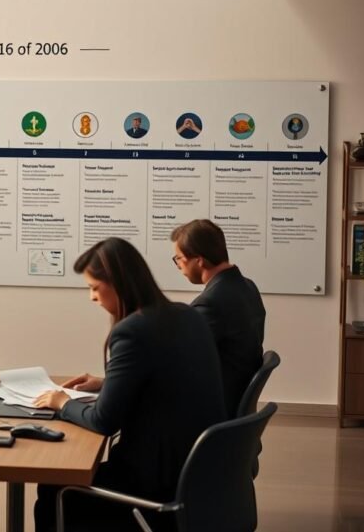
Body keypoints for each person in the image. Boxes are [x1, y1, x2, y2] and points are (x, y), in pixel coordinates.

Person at [32, 238, 226, 532]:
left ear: (119, 283)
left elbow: (103, 422)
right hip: (197, 473)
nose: (92, 298)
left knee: (52, 489)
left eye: (95, 288)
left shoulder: (132, 331)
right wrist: (107, 383)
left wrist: (62, 402)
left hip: (154, 482)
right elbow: (166, 378)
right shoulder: (186, 314)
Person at [171, 219, 266, 415]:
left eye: (179, 258)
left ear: (199, 260)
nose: (178, 265)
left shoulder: (211, 303)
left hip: (211, 411)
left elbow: (176, 360)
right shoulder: (247, 286)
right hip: (233, 406)